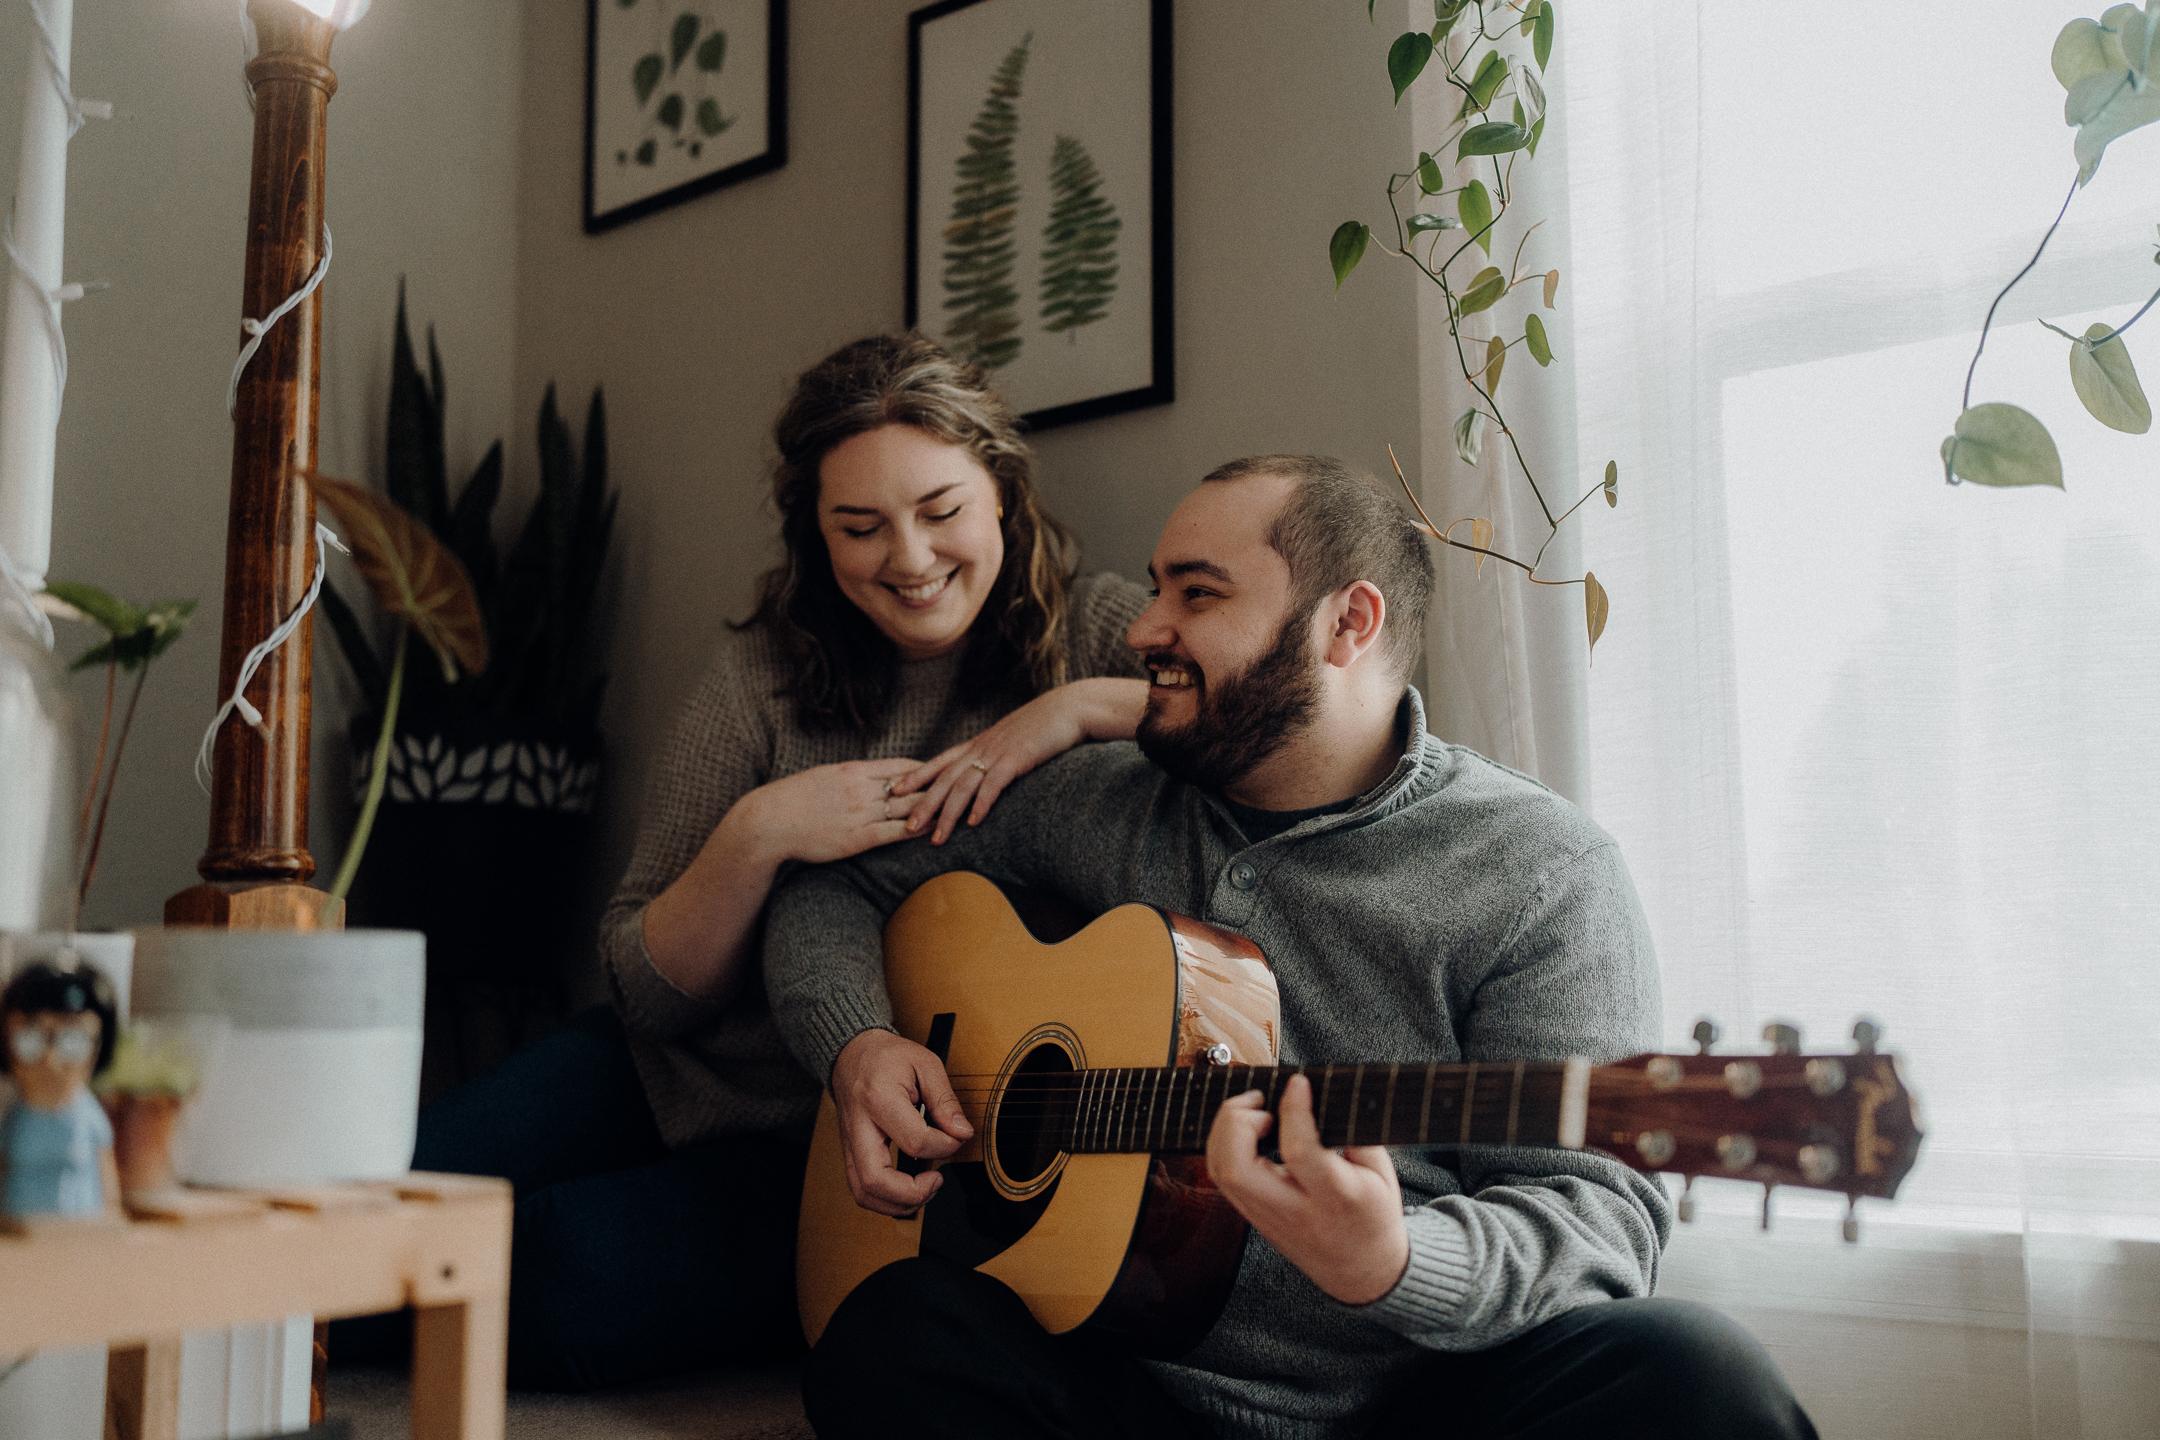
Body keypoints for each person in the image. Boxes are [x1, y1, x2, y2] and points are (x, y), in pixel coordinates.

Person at [763, 455, 1817, 1439]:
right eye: (1156, 591)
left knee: (1699, 1377)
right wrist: (858, 1043)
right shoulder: (1096, 798)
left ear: (1346, 623)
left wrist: (1397, 1259)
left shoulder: (1542, 871)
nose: (1142, 631)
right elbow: (833, 888)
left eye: (1196, 594)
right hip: (1123, 1383)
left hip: (1407, 1401)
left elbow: (1597, 1225)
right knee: (885, 1335)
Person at [393, 334, 1152, 1390]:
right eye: (860, 526)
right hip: (664, 1072)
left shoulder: (1101, 631)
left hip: (818, 1151)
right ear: (815, 536)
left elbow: (1255, 724)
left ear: (1002, 494)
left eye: (941, 510)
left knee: (553, 1278)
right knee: (386, 1191)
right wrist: (758, 833)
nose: (912, 558)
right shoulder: (757, 683)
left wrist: (1078, 710)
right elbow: (649, 997)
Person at [1, 959, 121, 1222]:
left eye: (72, 1042)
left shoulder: (90, 1119)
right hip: (20, 1231)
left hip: (78, 1233)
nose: (50, 1060)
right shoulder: (15, 1120)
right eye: (30, 1040)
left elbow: (108, 1185)